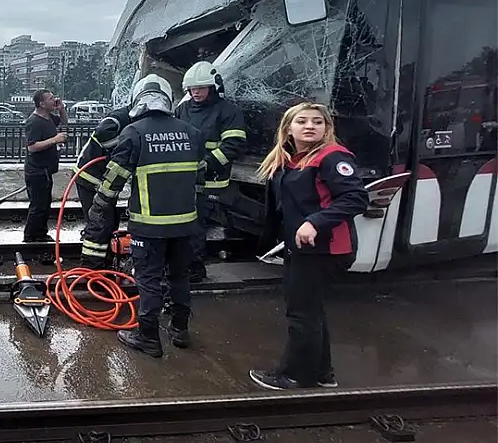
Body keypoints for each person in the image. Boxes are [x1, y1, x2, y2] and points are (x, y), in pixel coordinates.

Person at [82, 75, 204, 358]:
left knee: (148, 280)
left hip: (149, 226)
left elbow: (114, 180)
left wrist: (99, 207)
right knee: (179, 276)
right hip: (187, 223)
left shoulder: (134, 132)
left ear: (138, 99)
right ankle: (180, 329)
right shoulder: (192, 132)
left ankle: (148, 336)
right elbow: (200, 180)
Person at [249, 102, 367, 391]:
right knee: (311, 311)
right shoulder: (289, 159)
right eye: (302, 121)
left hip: (324, 249)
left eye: (318, 122)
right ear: (289, 128)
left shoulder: (332, 157)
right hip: (300, 247)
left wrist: (316, 222)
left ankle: (295, 376)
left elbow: (356, 198)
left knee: (302, 313)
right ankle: (322, 373)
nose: (310, 126)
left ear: (327, 129)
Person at [174, 61, 247, 282]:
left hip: (210, 181)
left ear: (213, 87)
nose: (195, 92)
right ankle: (180, 265)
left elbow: (234, 144)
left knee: (197, 225)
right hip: (184, 178)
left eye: (201, 88)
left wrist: (206, 164)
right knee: (181, 223)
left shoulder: (228, 111)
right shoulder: (182, 109)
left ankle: (195, 269)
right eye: (192, 88)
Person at [73, 99, 134, 268]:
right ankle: (93, 266)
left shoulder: (134, 118)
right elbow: (102, 132)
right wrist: (119, 148)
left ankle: (107, 260)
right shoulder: (119, 118)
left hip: (106, 180)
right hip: (90, 177)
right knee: (100, 221)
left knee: (110, 220)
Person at [23, 89, 68, 243]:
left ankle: (41, 233)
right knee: (37, 206)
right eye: (50, 98)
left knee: (45, 204)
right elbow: (32, 147)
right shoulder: (34, 121)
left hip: (46, 170)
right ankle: (30, 236)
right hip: (36, 171)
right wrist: (55, 140)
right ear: (41, 103)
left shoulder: (48, 116)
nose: (53, 99)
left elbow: (64, 121)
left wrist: (61, 109)